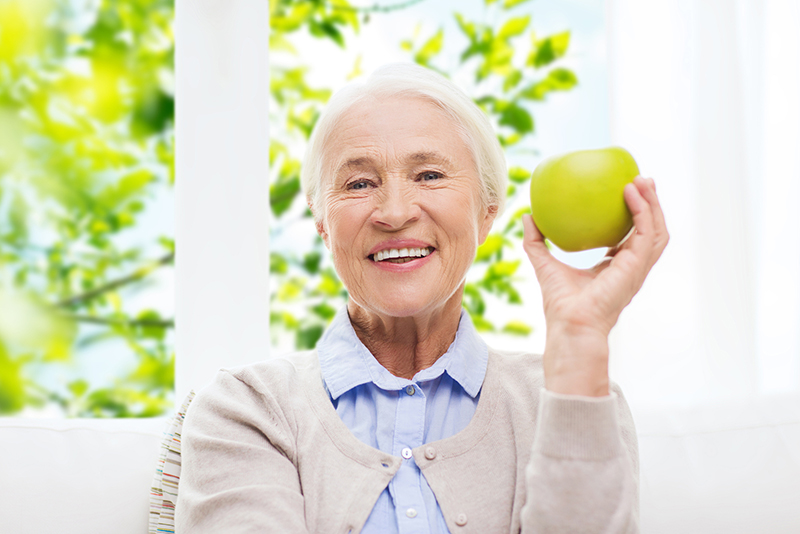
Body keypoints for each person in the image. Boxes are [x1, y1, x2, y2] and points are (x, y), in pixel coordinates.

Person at [175, 63, 668, 533]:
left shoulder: (574, 399)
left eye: (429, 175)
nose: (393, 212)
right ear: (322, 219)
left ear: (487, 210)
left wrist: (580, 340)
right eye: (360, 183)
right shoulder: (247, 411)